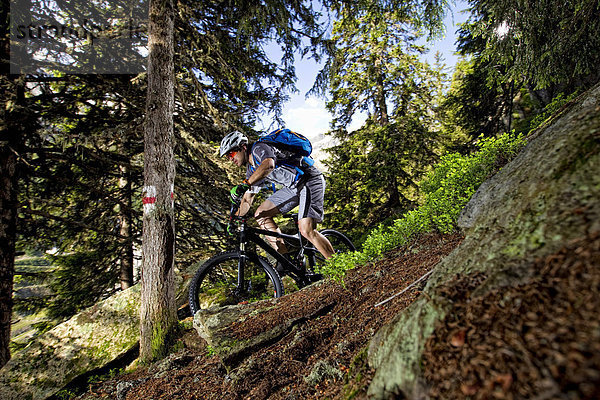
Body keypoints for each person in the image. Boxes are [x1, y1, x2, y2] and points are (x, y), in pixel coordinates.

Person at [220, 130, 334, 261]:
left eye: (231, 153)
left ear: (243, 147)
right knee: (261, 214)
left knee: (306, 229)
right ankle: (285, 259)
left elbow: (268, 165)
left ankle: (341, 268)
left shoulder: (259, 148)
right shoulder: (251, 169)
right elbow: (247, 198)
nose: (230, 158)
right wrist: (234, 218)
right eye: (227, 157)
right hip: (293, 188)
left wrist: (246, 183)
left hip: (309, 180)